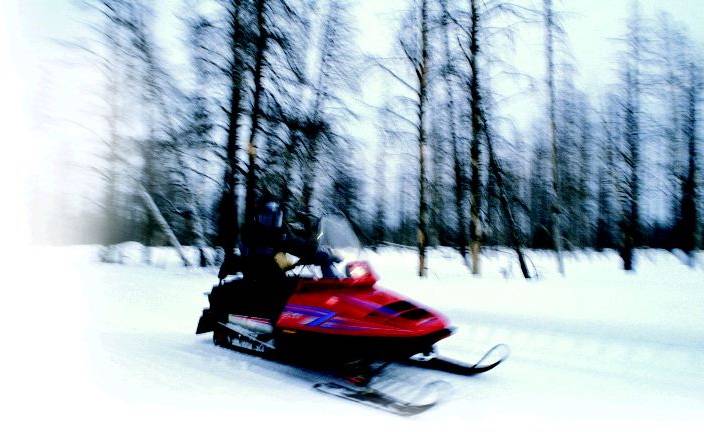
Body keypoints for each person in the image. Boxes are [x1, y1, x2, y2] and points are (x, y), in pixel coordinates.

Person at [217, 198, 339, 322]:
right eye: (268, 218)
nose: (272, 222)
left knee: (310, 285)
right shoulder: (252, 235)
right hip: (259, 283)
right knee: (297, 292)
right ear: (259, 217)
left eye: (276, 218)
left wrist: (315, 254)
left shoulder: (279, 235)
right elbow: (266, 255)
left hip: (275, 279)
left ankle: (330, 312)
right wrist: (297, 254)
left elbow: (291, 248)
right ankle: (293, 325)